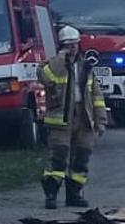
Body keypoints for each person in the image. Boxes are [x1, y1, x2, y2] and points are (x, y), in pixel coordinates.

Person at [40, 25, 107, 209]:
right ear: (61, 46)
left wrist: (100, 121)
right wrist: (61, 58)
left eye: (75, 44)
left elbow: (96, 96)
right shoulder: (54, 65)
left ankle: (74, 194)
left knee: (81, 158)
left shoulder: (86, 66)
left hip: (84, 118)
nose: (72, 48)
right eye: (68, 45)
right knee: (58, 159)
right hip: (61, 121)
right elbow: (46, 78)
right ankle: (51, 195)